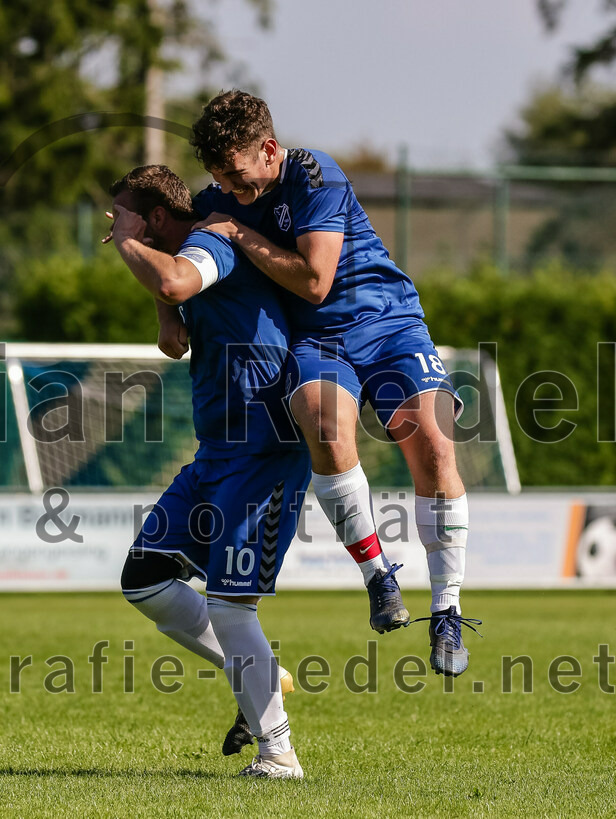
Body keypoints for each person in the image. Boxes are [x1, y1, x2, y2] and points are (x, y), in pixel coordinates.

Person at [177, 89, 481, 676]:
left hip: (388, 323)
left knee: (435, 448)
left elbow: (316, 282)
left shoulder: (318, 174)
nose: (232, 192)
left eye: (240, 177)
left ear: (269, 149)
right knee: (323, 424)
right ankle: (378, 576)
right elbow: (181, 255)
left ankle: (446, 609)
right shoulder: (217, 195)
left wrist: (239, 233)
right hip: (318, 343)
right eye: (220, 179)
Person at [106, 165, 311, 779]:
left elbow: (174, 283)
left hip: (263, 450)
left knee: (230, 606)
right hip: (218, 452)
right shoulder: (188, 256)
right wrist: (166, 302)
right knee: (144, 577)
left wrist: (128, 244)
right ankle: (259, 676)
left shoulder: (211, 245)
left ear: (154, 219)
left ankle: (278, 753)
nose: (114, 231)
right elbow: (174, 333)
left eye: (123, 217)